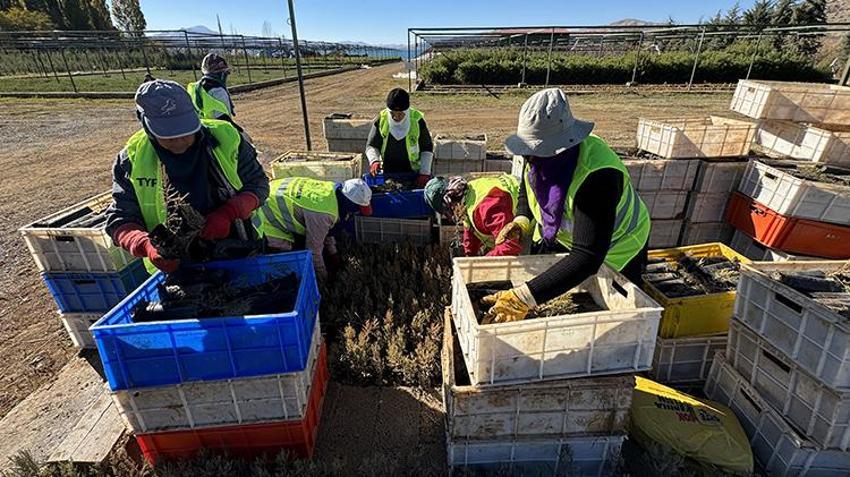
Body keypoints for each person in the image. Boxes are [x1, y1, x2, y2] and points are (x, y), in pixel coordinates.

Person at [483, 88, 651, 324]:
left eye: (536, 153)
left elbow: (587, 257)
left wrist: (523, 297)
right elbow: (526, 188)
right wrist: (521, 219)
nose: (530, 160)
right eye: (528, 154)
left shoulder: (597, 177)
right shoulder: (541, 161)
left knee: (618, 317)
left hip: (620, 248)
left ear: (561, 147)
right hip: (569, 241)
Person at [106, 79, 269, 273]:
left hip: (239, 249)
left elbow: (258, 184)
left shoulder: (227, 138)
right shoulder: (131, 159)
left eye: (186, 132)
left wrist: (229, 212)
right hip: (176, 265)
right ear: (146, 124)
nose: (179, 141)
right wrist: (145, 245)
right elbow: (119, 218)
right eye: (168, 135)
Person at [258, 177, 373, 280]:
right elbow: (313, 251)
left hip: (273, 188)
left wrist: (333, 253)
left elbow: (326, 230)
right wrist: (324, 278)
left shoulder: (331, 190)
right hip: (264, 211)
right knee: (288, 253)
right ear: (349, 204)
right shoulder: (323, 214)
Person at [423, 174, 521, 257]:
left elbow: (510, 246)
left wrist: (480, 265)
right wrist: (468, 256)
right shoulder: (469, 194)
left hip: (529, 213)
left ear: (450, 203)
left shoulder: (488, 207)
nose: (450, 218)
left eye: (447, 213)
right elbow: (471, 232)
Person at [365, 88, 434, 188]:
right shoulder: (382, 119)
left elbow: (427, 148)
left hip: (413, 173)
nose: (396, 117)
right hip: (388, 172)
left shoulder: (417, 120)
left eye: (400, 114)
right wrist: (374, 160)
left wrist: (425, 172)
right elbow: (371, 145)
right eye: (392, 113)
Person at [187, 53, 237, 124]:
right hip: (217, 127)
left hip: (201, 126)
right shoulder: (218, 90)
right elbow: (223, 119)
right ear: (221, 74)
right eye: (226, 72)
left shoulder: (196, 87)